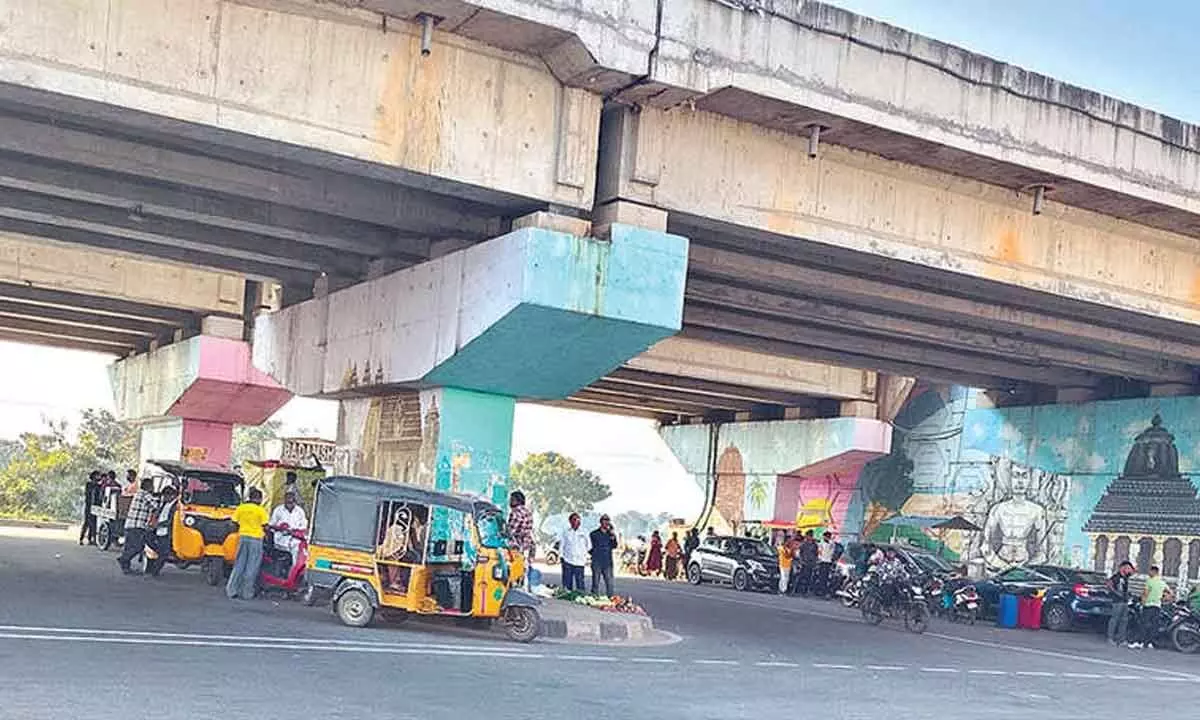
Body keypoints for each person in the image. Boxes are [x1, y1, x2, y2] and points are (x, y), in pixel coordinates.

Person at [226, 487, 269, 600]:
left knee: (239, 564)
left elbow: (233, 523)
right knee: (252, 567)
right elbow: (265, 526)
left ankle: (231, 590)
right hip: (256, 539)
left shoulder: (241, 508)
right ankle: (247, 593)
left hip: (243, 537)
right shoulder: (261, 510)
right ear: (259, 499)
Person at [118, 478, 159, 575]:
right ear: (148, 486)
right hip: (137, 526)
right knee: (138, 546)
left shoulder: (138, 493)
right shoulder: (145, 494)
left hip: (130, 524)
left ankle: (126, 568)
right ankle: (123, 559)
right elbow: (156, 506)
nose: (153, 488)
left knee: (129, 547)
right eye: (152, 486)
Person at [1131, 565, 1172, 649]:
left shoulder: (1150, 581)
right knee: (1153, 625)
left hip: (1148, 606)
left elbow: (1145, 593)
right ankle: (1149, 643)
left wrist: (1142, 603)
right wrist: (1163, 599)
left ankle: (1140, 642)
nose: (1149, 573)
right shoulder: (1162, 582)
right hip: (1157, 606)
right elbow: (1171, 593)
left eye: (1150, 571)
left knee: (1143, 624)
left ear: (1154, 572)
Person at [269, 488, 308, 565]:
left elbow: (304, 526)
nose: (289, 504)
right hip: (280, 540)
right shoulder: (278, 510)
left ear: (295, 502)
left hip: (295, 540)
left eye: (291, 502)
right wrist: (280, 528)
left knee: (300, 551)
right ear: (284, 501)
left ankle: (294, 571)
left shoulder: (299, 511)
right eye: (287, 502)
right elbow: (271, 525)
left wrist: (293, 531)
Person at [147, 485, 179, 577]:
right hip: (159, 531)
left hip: (166, 532)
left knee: (163, 554)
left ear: (172, 495)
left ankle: (155, 571)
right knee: (147, 538)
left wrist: (158, 525)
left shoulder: (175, 505)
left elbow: (171, 521)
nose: (164, 498)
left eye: (165, 496)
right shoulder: (165, 504)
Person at [557, 512, 590, 592]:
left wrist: (584, 555)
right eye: (574, 519)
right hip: (568, 560)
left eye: (578, 520)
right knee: (567, 583)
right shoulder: (566, 532)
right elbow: (562, 545)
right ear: (570, 521)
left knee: (580, 583)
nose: (576, 521)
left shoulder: (585, 532)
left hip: (580, 561)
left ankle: (580, 599)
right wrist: (561, 556)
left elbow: (589, 546)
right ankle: (567, 599)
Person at [507, 490, 534, 585]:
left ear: (517, 501)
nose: (509, 502)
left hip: (517, 547)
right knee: (522, 572)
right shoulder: (527, 512)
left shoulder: (516, 513)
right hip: (527, 546)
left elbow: (510, 532)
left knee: (513, 574)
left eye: (511, 500)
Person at [1106, 560, 1135, 645]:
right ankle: (1110, 637)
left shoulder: (1126, 577)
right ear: (1122, 568)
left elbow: (1133, 572)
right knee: (1114, 619)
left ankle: (1121, 639)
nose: (1129, 570)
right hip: (1117, 601)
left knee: (1124, 620)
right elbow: (1109, 584)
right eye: (1127, 568)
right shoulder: (1116, 577)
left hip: (1124, 601)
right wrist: (1115, 592)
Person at [589, 514, 618, 596]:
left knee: (610, 583)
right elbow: (589, 547)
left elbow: (615, 546)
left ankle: (611, 598)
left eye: (608, 521)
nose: (606, 523)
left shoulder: (610, 535)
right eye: (604, 521)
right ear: (601, 522)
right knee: (595, 582)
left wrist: (612, 535)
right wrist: (594, 554)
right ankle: (594, 597)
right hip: (596, 561)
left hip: (608, 562)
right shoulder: (594, 534)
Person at [79, 471, 101, 546]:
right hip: (88, 506)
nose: (98, 477)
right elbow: (88, 494)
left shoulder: (98, 486)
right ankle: (81, 539)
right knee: (86, 523)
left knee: (93, 523)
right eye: (97, 475)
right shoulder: (89, 484)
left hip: (95, 506)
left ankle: (91, 539)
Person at [795, 530, 818, 595]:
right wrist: (801, 561)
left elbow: (816, 554)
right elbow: (799, 553)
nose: (810, 537)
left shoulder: (814, 545)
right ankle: (797, 590)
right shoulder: (804, 544)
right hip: (804, 563)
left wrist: (815, 562)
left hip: (811, 563)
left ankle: (805, 591)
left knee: (808, 577)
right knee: (801, 577)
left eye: (811, 536)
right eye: (809, 536)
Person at [816, 531, 837, 597]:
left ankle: (824, 591)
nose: (827, 537)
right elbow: (819, 552)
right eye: (826, 536)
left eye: (828, 536)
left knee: (826, 577)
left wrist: (830, 541)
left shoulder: (832, 544)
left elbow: (832, 550)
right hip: (822, 561)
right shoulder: (821, 543)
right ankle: (819, 590)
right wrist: (819, 559)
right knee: (820, 576)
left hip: (828, 562)